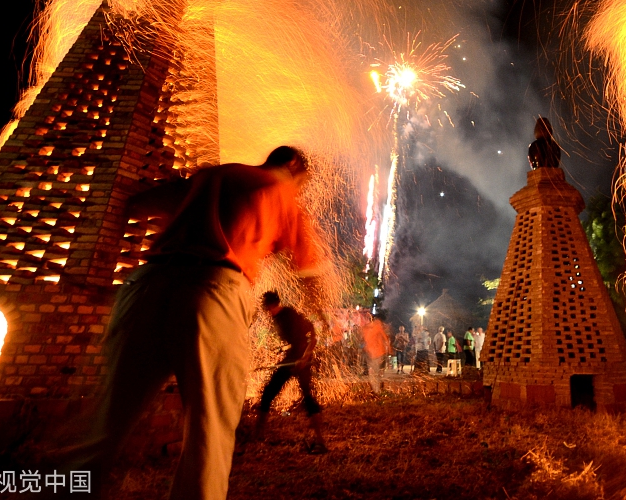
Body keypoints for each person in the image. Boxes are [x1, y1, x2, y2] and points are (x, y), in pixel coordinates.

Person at [63, 146, 325, 500]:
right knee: (209, 433)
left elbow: (136, 203)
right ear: (293, 166)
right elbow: (309, 270)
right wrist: (323, 314)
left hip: (143, 287)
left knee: (105, 425)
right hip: (211, 292)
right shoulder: (281, 189)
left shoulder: (210, 176)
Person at [256, 291, 326, 453]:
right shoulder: (277, 318)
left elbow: (311, 334)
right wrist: (284, 352)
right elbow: (293, 341)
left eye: (267, 308)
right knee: (268, 392)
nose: (267, 312)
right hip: (292, 357)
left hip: (300, 359)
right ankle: (257, 436)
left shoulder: (289, 314)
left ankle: (320, 441)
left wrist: (305, 357)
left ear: (271, 305)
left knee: (307, 397)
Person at [362, 315, 390, 393]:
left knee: (375, 372)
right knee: (373, 372)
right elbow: (366, 341)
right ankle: (376, 390)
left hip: (377, 354)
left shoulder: (376, 326)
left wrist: (388, 349)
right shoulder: (366, 329)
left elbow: (384, 338)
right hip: (372, 354)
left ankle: (377, 390)